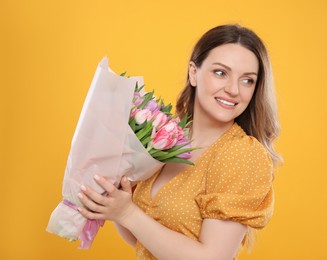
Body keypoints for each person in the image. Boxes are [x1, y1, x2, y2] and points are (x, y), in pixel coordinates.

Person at [77, 24, 282, 259]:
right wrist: (113, 202)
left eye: (247, 80)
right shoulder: (165, 136)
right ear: (194, 73)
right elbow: (141, 240)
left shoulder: (241, 154)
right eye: (220, 73)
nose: (233, 89)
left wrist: (127, 213)